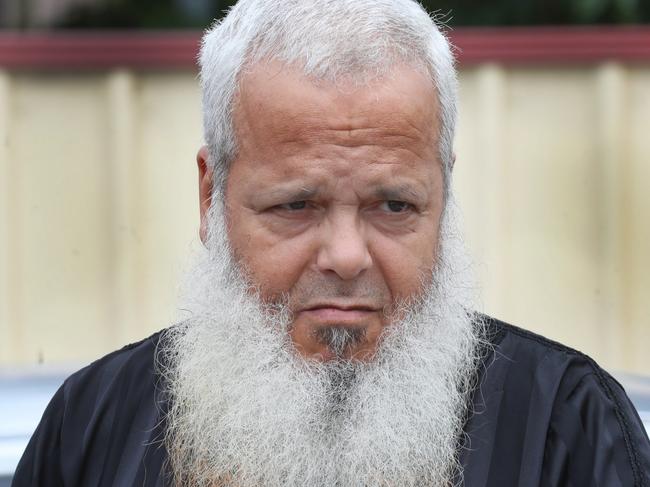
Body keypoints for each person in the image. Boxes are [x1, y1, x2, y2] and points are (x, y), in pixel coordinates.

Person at [12, 0, 650, 486]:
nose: (347, 256)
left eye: (394, 205)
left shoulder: (566, 430)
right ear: (211, 197)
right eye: (295, 205)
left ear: (444, 196)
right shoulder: (91, 431)